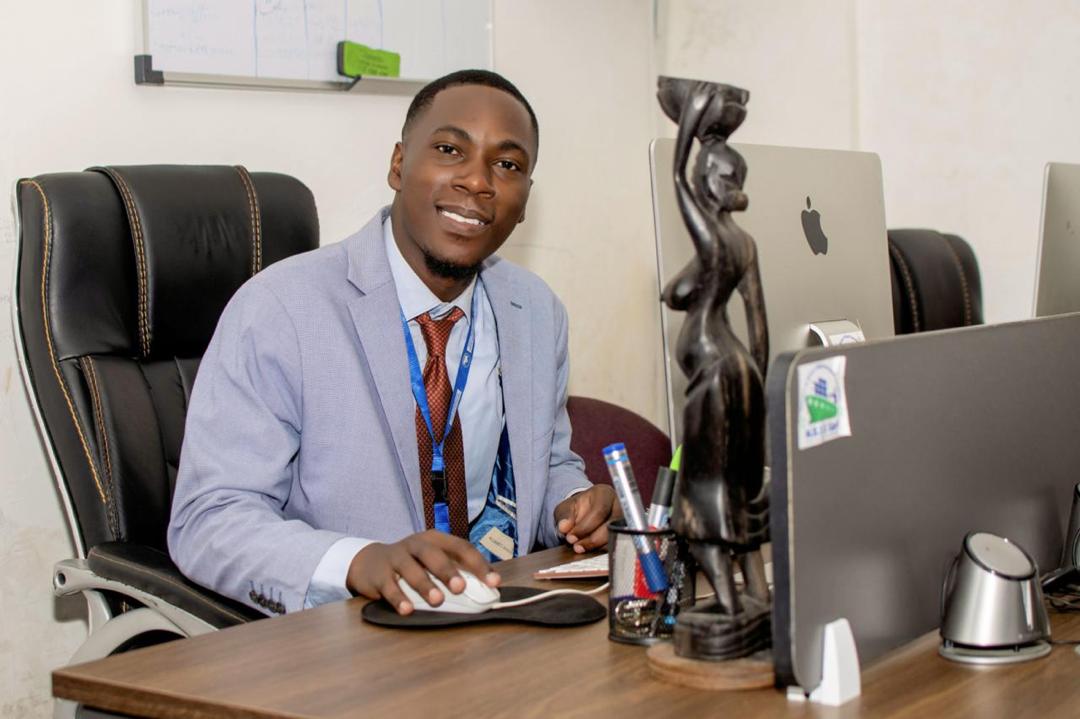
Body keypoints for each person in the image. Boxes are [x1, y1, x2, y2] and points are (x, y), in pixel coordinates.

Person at [168, 69, 619, 617]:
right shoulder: (281, 308)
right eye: (450, 150)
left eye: (507, 165)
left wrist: (573, 504)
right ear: (399, 165)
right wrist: (358, 562)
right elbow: (210, 519)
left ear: (524, 200)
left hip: (496, 616)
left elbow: (545, 464)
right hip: (343, 633)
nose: (477, 181)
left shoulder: (536, 311)